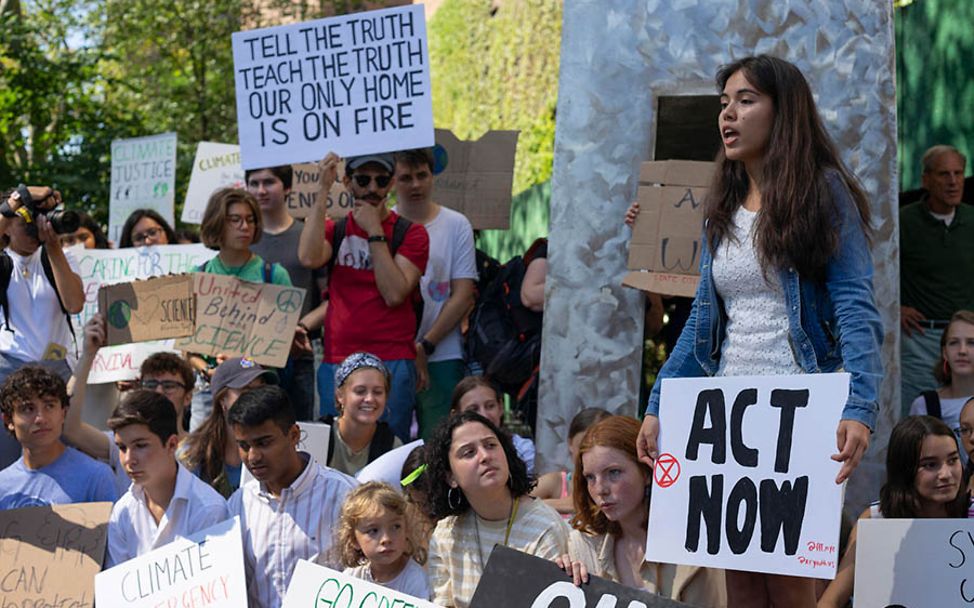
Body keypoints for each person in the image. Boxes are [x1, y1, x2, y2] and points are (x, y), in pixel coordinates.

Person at [636, 55, 883, 608]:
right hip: (727, 418)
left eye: (745, 100)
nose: (728, 113)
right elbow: (704, 320)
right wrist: (659, 404)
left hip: (800, 410)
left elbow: (855, 308)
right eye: (724, 103)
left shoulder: (824, 192)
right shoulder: (719, 204)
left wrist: (858, 406)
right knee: (741, 584)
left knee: (794, 585)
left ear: (784, 111)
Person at [298, 152, 429, 441]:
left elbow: (395, 293)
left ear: (391, 184)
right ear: (347, 182)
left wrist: (374, 231)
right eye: (362, 179)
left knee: (391, 448)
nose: (372, 188)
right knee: (335, 446)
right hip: (338, 358)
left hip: (392, 359)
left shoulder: (412, 234)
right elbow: (308, 256)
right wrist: (322, 190)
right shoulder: (337, 229)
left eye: (381, 180)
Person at [558, 416, 726, 607]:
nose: (600, 489)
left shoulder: (695, 550)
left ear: (646, 471)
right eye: (590, 477)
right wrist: (561, 578)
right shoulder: (581, 545)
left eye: (613, 472)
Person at [818, 415, 969, 607]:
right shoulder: (876, 520)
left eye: (953, 460)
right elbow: (833, 599)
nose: (946, 474)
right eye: (930, 465)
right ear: (905, 470)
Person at [228, 385, 357, 608]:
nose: (253, 456)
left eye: (263, 442)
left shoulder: (345, 496)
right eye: (244, 446)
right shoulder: (238, 505)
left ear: (294, 435)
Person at [425, 411, 569, 608]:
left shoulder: (543, 526)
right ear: (450, 477)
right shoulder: (445, 534)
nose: (485, 456)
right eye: (469, 452)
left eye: (491, 445)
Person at [187, 188, 292, 431]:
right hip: (208, 392)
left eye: (250, 219)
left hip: (258, 389)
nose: (244, 226)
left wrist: (242, 364)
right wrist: (211, 372)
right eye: (235, 220)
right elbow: (187, 350)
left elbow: (280, 348)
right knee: (202, 463)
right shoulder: (198, 277)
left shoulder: (275, 276)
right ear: (216, 223)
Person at [392, 149, 477, 439]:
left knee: (441, 440)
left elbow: (463, 294)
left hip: (443, 353)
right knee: (394, 440)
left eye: (421, 176)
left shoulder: (457, 225)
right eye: (405, 178)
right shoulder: (381, 226)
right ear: (392, 181)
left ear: (432, 176)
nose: (415, 185)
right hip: (393, 353)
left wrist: (425, 346)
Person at [0, 185, 85, 468]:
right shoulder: (3, 260)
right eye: (28, 222)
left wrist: (54, 247)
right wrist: (12, 203)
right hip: (8, 369)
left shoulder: (58, 256)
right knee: (9, 458)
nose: (36, 228)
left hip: (56, 370)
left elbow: (74, 303)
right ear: (8, 225)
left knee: (62, 453)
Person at [64, 314, 196, 494]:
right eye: (150, 385)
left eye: (169, 386)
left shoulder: (200, 448)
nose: (158, 392)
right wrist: (89, 354)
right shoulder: (119, 443)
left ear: (188, 397)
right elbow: (69, 426)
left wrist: (246, 363)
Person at [105, 389, 229, 567]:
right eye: (122, 447)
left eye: (140, 446)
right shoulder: (122, 512)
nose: (128, 459)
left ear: (172, 444)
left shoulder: (209, 509)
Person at [247, 164, 324, 421]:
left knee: (302, 426)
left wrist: (299, 326)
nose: (261, 190)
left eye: (269, 182)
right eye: (254, 183)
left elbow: (331, 297)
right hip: (253, 354)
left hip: (300, 351)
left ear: (287, 187)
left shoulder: (308, 235)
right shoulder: (241, 240)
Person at [900, 146, 972, 415]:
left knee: (966, 417)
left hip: (967, 340)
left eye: (958, 173)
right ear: (926, 179)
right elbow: (878, 272)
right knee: (919, 415)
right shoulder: (903, 222)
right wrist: (894, 308)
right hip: (920, 338)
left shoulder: (972, 220)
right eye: (944, 174)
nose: (953, 181)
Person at [0, 365, 115, 509]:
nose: (40, 419)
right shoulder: (3, 486)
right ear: (8, 420)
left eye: (49, 406)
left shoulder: (97, 477)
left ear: (63, 413)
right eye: (28, 409)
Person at [178, 356, 278, 497]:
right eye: (246, 391)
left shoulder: (279, 449)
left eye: (260, 390)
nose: (257, 398)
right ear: (222, 399)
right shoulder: (191, 455)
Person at [337, 481, 431, 599]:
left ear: (406, 530)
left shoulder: (415, 580)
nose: (386, 539)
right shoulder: (353, 577)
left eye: (395, 527)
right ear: (354, 540)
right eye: (374, 531)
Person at [322, 352, 402, 476]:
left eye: (377, 392)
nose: (369, 399)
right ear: (340, 396)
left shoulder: (392, 446)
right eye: (360, 391)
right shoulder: (320, 436)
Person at [449, 375, 535, 475]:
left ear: (500, 407)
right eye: (473, 409)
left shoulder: (522, 449)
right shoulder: (446, 454)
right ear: (455, 415)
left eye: (490, 406)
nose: (484, 415)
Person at [909, 310, 974, 441]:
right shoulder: (924, 405)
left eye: (971, 343)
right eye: (953, 342)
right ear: (945, 352)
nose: (962, 350)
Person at [532, 407, 611, 515]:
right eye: (583, 448)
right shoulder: (555, 483)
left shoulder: (617, 491)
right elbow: (513, 506)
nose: (591, 457)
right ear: (570, 444)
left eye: (601, 448)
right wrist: (561, 504)